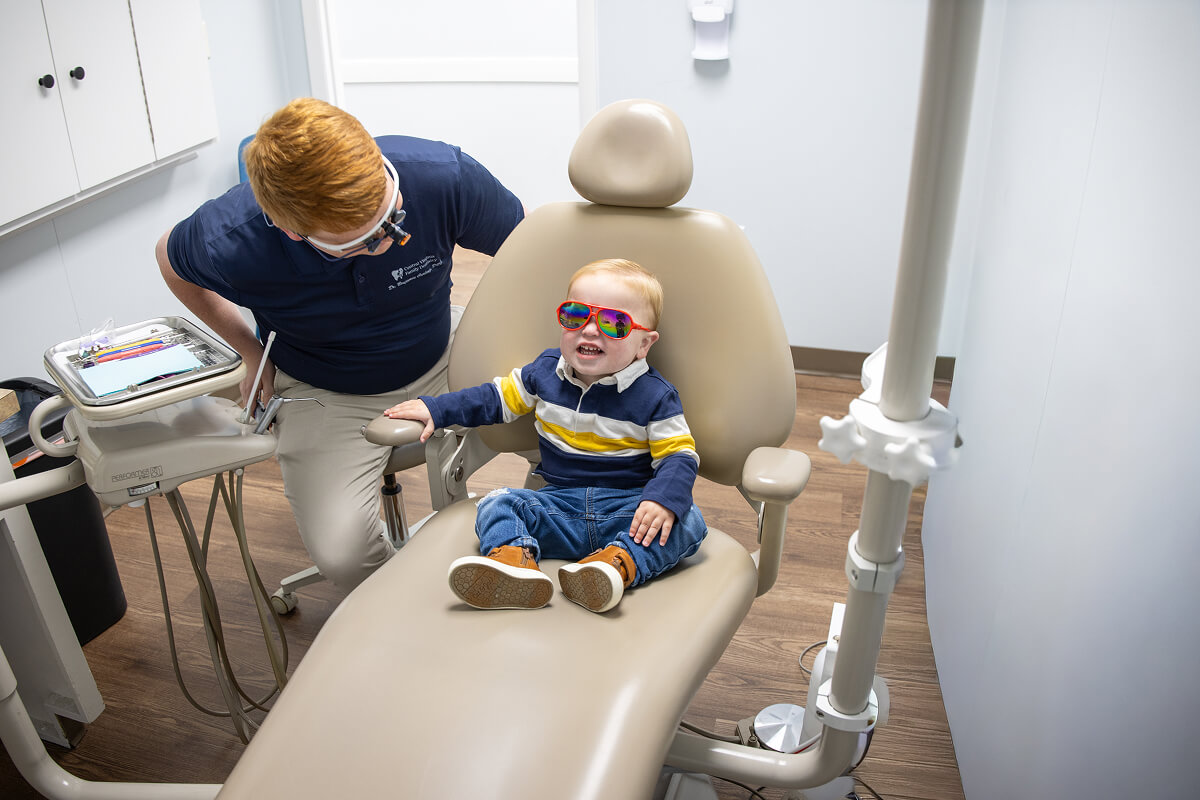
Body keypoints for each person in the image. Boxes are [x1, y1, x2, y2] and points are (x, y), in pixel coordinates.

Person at [155, 97, 525, 592]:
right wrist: (246, 350)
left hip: (445, 352)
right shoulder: (232, 241)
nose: (390, 241)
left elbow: (525, 248)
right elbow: (168, 257)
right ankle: (416, 609)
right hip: (325, 387)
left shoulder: (441, 175)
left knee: (584, 422)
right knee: (344, 554)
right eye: (365, 242)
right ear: (292, 231)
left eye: (392, 218)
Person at [383, 258, 707, 613]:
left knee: (687, 520)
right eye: (575, 315)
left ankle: (613, 567)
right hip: (557, 506)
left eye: (614, 323)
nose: (590, 330)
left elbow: (679, 457)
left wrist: (661, 501)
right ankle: (514, 564)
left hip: (628, 510)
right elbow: (492, 400)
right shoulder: (545, 372)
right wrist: (437, 409)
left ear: (644, 344)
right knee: (497, 503)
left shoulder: (656, 396)